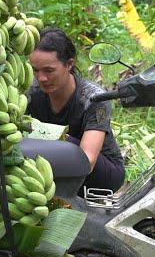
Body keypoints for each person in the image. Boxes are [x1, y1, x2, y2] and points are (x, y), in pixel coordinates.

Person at [26, 27, 126, 195]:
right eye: (36, 70)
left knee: (63, 142)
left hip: (101, 174)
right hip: (53, 166)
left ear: (69, 64)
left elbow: (88, 160)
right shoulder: (32, 93)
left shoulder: (94, 98)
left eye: (49, 70)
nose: (41, 78)